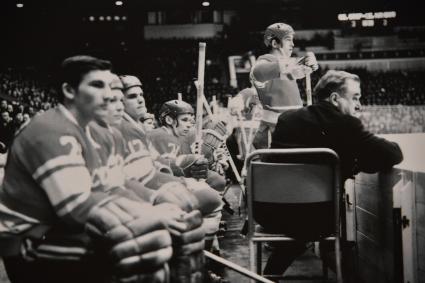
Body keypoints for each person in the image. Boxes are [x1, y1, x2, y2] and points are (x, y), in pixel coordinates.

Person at [0, 56, 175, 283]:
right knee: (137, 245)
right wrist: (147, 216)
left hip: (55, 229)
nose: (110, 94)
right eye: (97, 85)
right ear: (69, 90)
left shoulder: (95, 132)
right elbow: (76, 209)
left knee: (158, 235)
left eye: (110, 87)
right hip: (26, 238)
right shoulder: (50, 130)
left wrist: (155, 204)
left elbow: (112, 188)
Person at [257, 70, 403, 277]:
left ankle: (269, 277)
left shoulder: (288, 119)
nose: (359, 105)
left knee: (301, 223)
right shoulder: (346, 124)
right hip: (317, 218)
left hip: (268, 212)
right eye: (355, 97)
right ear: (335, 98)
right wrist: (357, 162)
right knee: (313, 219)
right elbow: (393, 155)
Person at [250, 22, 319, 149]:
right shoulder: (264, 61)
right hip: (275, 130)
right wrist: (292, 66)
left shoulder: (285, 68)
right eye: (288, 40)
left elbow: (291, 71)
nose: (293, 45)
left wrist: (306, 63)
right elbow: (258, 72)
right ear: (275, 44)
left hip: (294, 127)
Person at [149, 99, 226, 193]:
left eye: (190, 121)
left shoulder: (181, 135)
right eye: (184, 120)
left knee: (218, 181)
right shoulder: (158, 136)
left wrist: (212, 160)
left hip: (178, 178)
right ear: (169, 120)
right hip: (162, 183)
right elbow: (167, 169)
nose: (189, 125)